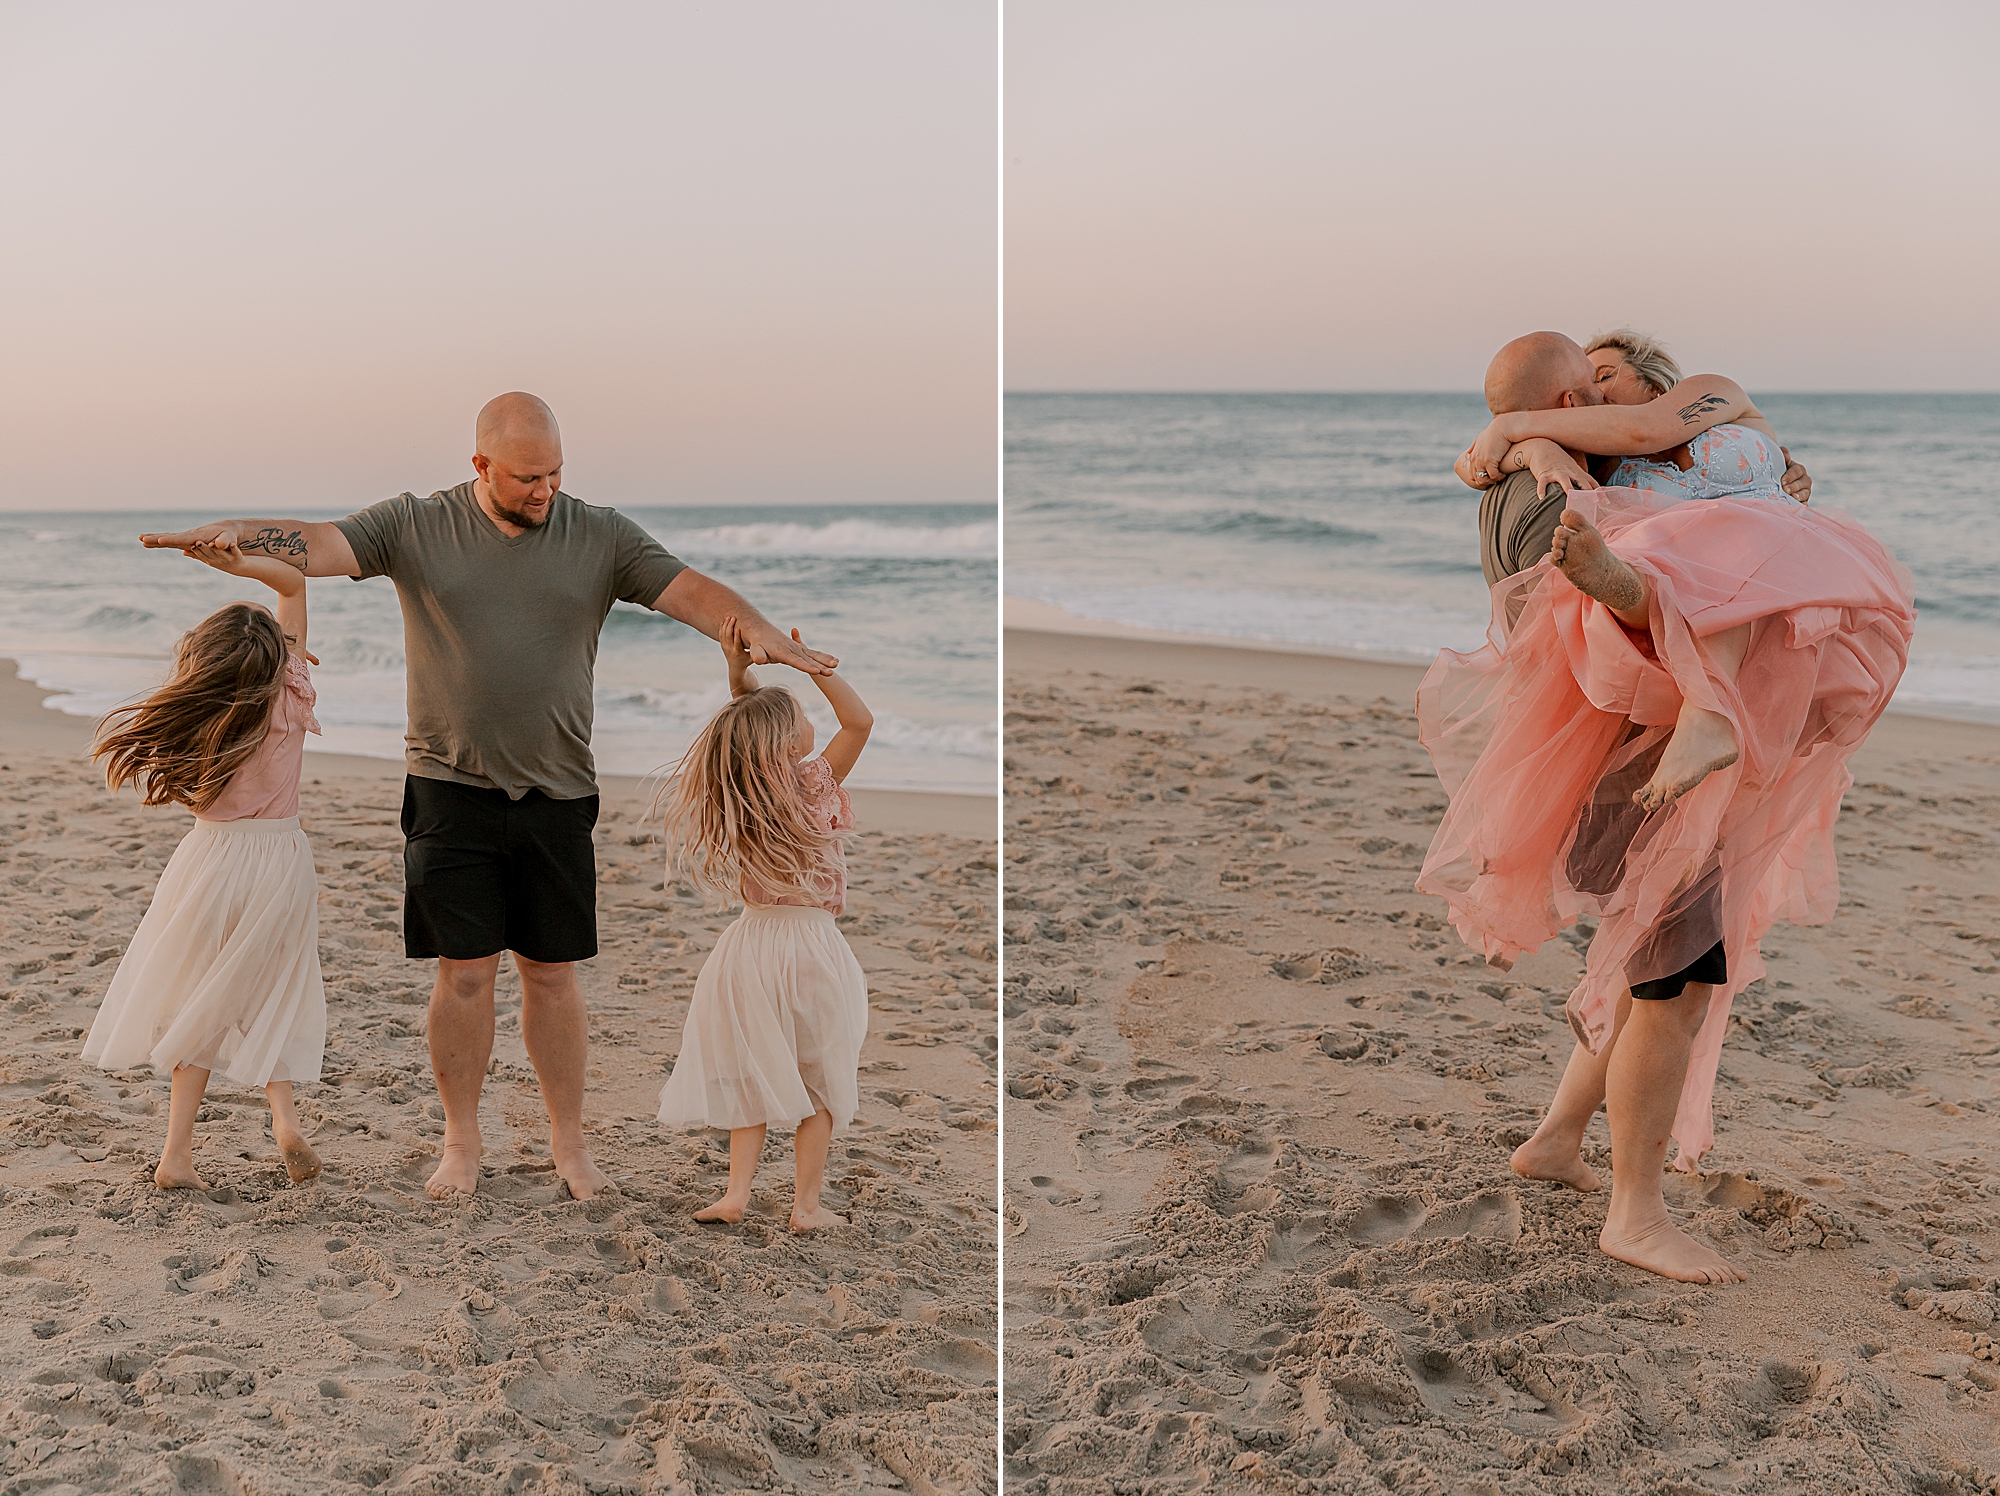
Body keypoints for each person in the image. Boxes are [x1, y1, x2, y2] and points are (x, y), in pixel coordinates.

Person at [137, 392, 835, 1201]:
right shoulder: (415, 525)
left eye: (554, 473)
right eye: (527, 477)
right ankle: (461, 1143)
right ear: (481, 466)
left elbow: (692, 594)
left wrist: (762, 633)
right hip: (446, 788)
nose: (545, 489)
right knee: (463, 977)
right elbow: (319, 545)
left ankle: (568, 1147)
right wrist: (232, 532)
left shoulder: (599, 534)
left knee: (552, 976)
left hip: (560, 792)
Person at [1418, 333, 1915, 1283]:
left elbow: (1661, 446)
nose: (1598, 396)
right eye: (1585, 384)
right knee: (1671, 990)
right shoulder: (1556, 496)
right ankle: (1635, 1215)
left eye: (1609, 372)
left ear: (1646, 371)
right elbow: (1581, 635)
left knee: (1640, 968)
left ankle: (1558, 1141)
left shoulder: (1631, 449)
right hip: (1632, 774)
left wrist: (1524, 438)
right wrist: (1528, 444)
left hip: (1650, 767)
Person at [84, 539, 327, 1190]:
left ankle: (177, 1156)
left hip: (212, 861)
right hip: (281, 859)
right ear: (277, 656)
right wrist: (241, 560)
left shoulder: (206, 714)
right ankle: (284, 1123)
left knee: (205, 998)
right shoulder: (293, 686)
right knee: (271, 988)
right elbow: (295, 584)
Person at [656, 617, 873, 1232]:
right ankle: (805, 1207)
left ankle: (736, 1195)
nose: (813, 724)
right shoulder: (812, 784)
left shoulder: (741, 789)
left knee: (749, 1069)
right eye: (804, 718)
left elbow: (746, 729)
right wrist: (808, 666)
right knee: (821, 1077)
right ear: (789, 741)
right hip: (810, 946)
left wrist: (739, 675)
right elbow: (859, 722)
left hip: (747, 947)